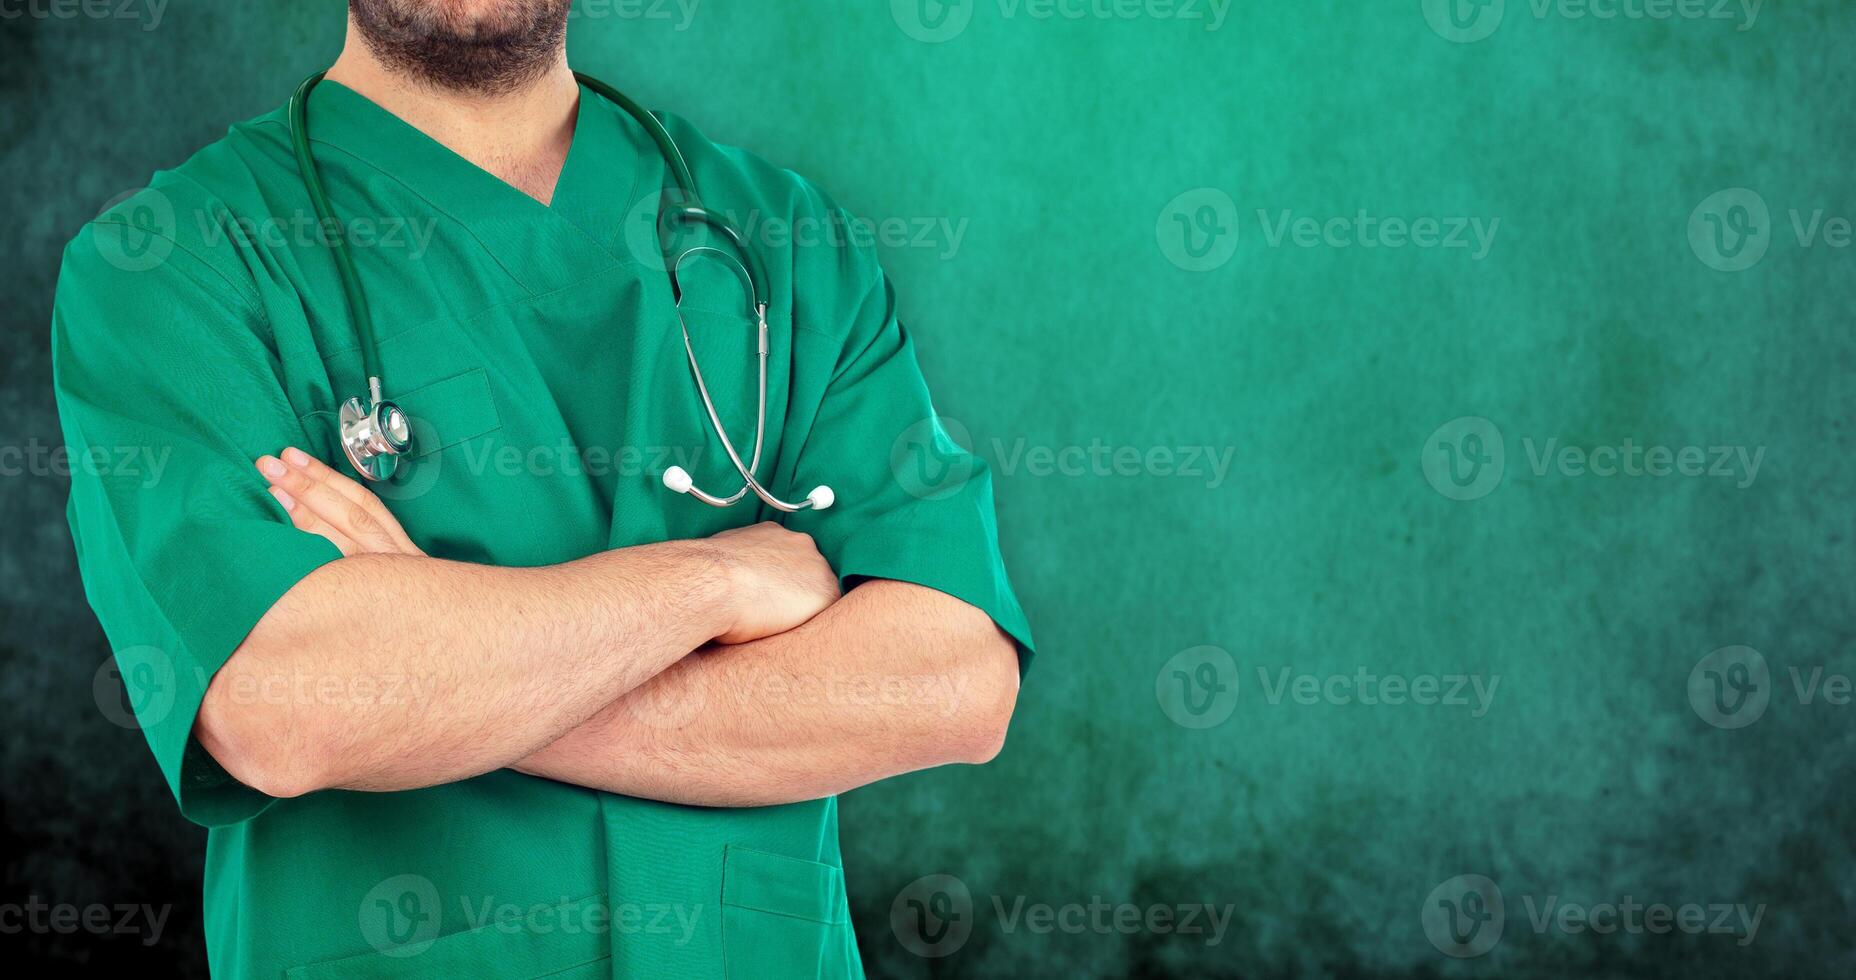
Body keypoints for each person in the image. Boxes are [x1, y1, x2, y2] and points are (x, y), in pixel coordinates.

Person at [50, 2, 1032, 976]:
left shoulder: (785, 244)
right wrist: (718, 578)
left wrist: (437, 687)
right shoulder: (174, 263)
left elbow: (953, 678)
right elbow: (287, 704)